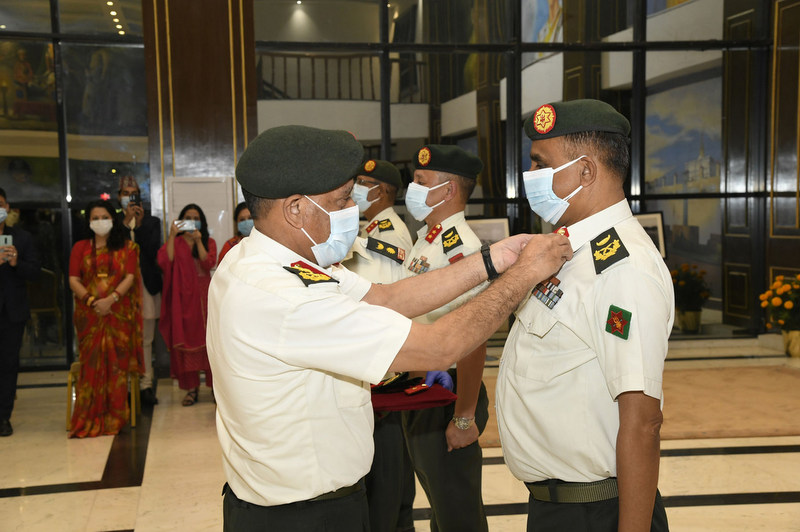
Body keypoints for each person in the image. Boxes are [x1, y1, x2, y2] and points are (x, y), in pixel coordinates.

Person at [206, 124, 573, 532]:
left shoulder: (267, 260)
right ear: (296, 209)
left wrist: (492, 260)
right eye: (341, 199)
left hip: (298, 505)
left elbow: (387, 297)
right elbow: (440, 347)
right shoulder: (284, 295)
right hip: (301, 516)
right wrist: (523, 275)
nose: (352, 208)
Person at [495, 99, 674, 531]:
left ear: (586, 171)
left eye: (541, 164)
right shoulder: (568, 252)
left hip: (597, 512)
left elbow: (643, 422)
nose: (530, 175)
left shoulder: (623, 269)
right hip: (559, 507)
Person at [400, 144, 490, 532]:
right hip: (422, 387)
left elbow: (473, 340)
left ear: (448, 190)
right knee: (441, 503)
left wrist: (465, 417)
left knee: (457, 512)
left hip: (448, 392)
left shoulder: (462, 250)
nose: (412, 188)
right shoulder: (428, 239)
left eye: (421, 182)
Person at [343, 159, 416, 532]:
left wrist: (384, 374)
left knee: (385, 481)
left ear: (383, 191)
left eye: (363, 182)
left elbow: (387, 306)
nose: (355, 188)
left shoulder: (388, 236)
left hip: (381, 373)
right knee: (390, 474)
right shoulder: (370, 230)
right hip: (376, 368)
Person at [68, 199, 142, 438]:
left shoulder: (128, 247)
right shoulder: (80, 248)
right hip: (89, 317)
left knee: (117, 369)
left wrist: (111, 299)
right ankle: (88, 417)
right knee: (90, 368)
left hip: (118, 316)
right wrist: (92, 302)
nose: (100, 222)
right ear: (88, 222)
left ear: (113, 219)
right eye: (95, 218)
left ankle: (114, 418)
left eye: (104, 217)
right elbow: (73, 279)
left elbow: (130, 277)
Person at [157, 203, 217, 406]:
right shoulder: (177, 242)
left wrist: (199, 241)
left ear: (202, 222)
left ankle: (215, 389)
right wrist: (172, 236)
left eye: (196, 218)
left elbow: (208, 263)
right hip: (183, 299)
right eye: (188, 218)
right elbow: (166, 261)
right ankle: (192, 389)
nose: (192, 221)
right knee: (187, 342)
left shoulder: (209, 241)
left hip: (205, 297)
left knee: (210, 342)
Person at [0, 188, 41, 437]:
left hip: (11, 312)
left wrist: (16, 263)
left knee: (8, 365)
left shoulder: (22, 238)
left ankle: (3, 416)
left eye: (0, 204)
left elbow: (35, 272)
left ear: (7, 207)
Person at [118, 176, 162, 406]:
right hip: (119, 288)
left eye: (133, 193)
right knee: (124, 338)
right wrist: (126, 223)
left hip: (145, 285)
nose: (129, 197)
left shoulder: (152, 222)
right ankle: (126, 387)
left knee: (146, 339)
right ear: (119, 197)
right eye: (125, 193)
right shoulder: (114, 223)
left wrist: (140, 224)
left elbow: (152, 251)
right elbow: (114, 248)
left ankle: (146, 385)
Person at [352, 158, 413, 251]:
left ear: (379, 192)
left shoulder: (389, 234)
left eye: (361, 182)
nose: (355, 187)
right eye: (356, 181)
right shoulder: (375, 227)